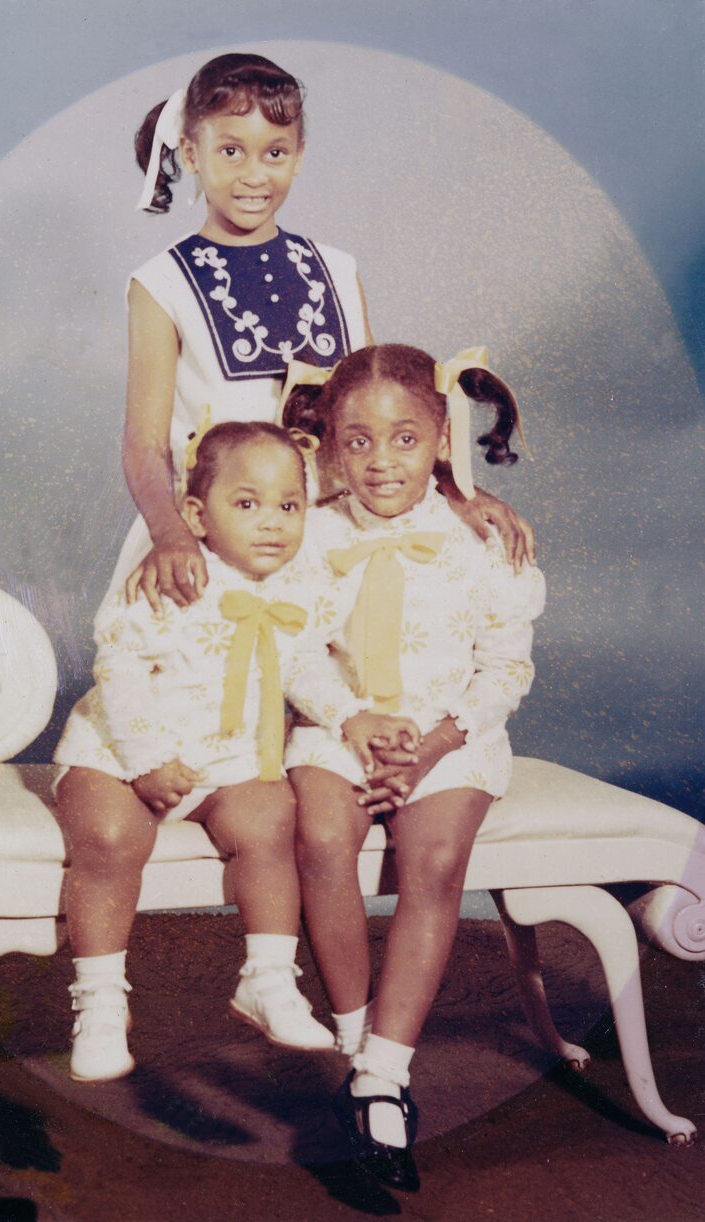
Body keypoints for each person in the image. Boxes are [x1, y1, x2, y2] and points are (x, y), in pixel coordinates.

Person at [53, 422, 416, 1082]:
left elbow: (303, 665)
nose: (271, 523)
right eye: (246, 504)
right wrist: (146, 762)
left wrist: (348, 715)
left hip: (226, 763)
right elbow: (120, 669)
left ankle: (269, 977)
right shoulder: (173, 574)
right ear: (196, 514)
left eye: (288, 506)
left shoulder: (301, 584)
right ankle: (102, 998)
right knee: (108, 838)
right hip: (119, 752)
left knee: (273, 817)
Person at [113, 51, 534, 613]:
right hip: (220, 537)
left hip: (338, 532)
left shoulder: (336, 268)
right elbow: (144, 443)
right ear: (191, 153)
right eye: (231, 151)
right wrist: (171, 534)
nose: (254, 174)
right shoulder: (160, 284)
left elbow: (381, 406)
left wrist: (458, 489)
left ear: (299, 156)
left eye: (275, 153)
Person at [282, 344, 546, 1191]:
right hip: (346, 724)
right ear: (329, 447)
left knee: (434, 863)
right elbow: (291, 648)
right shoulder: (313, 535)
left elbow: (505, 667)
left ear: (440, 439)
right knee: (321, 837)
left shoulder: (481, 536)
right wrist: (350, 717)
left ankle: (383, 1076)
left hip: (449, 732)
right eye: (356, 442)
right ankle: (369, 1059)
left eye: (402, 439)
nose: (380, 460)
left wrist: (433, 743)